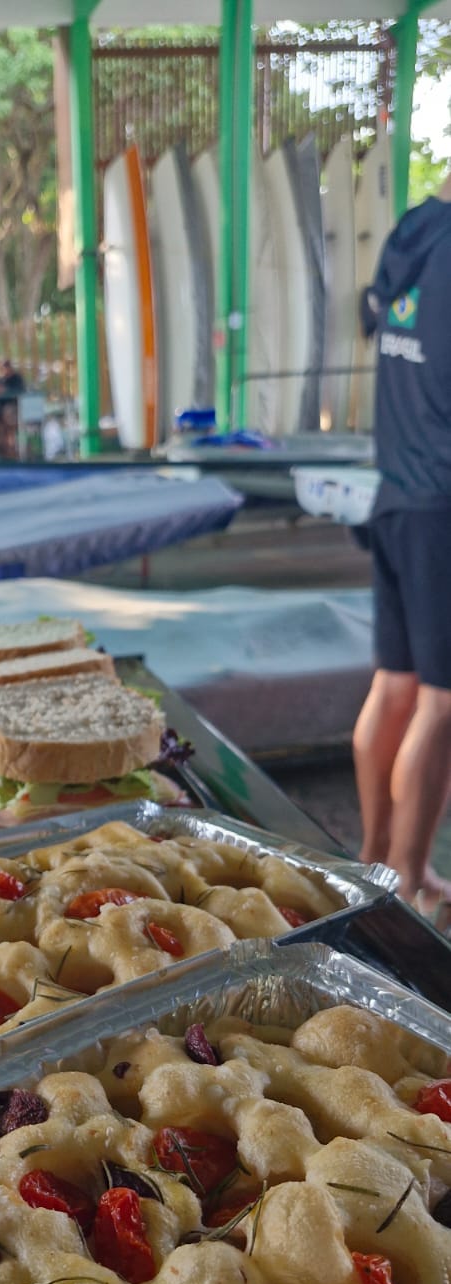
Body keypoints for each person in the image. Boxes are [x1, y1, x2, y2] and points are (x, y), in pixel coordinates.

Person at [351, 169, 451, 926]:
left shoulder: (412, 231)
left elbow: (373, 318)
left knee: (396, 685)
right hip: (442, 504)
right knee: (441, 702)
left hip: (393, 492)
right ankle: (411, 881)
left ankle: (373, 861)